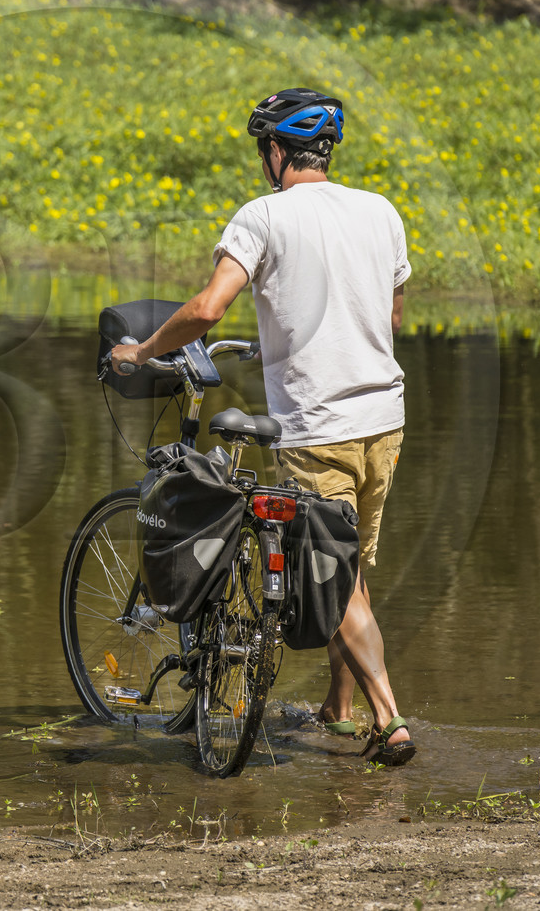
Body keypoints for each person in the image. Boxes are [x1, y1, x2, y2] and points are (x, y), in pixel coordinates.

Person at [108, 87, 415, 766]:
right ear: (324, 151)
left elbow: (209, 307)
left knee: (333, 581)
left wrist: (145, 351)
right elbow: (387, 319)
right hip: (384, 421)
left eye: (262, 150)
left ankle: (389, 718)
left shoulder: (262, 216)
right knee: (347, 570)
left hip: (316, 425)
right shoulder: (382, 212)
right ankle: (338, 709)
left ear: (276, 152)